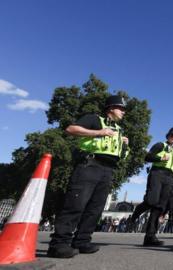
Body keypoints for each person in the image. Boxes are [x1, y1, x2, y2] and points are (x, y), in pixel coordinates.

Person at [48, 95, 129, 258]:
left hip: (108, 170)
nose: (123, 112)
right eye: (121, 108)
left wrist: (124, 146)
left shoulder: (119, 130)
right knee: (75, 204)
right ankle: (59, 244)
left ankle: (82, 241)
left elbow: (120, 155)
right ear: (111, 108)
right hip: (90, 165)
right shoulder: (95, 119)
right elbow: (71, 129)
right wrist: (99, 132)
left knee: (95, 208)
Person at [141, 127, 173, 246]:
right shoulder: (160, 145)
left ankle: (150, 236)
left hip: (169, 177)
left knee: (160, 207)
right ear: (168, 136)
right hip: (157, 173)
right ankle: (139, 210)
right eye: (172, 135)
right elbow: (147, 157)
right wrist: (160, 157)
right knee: (152, 200)